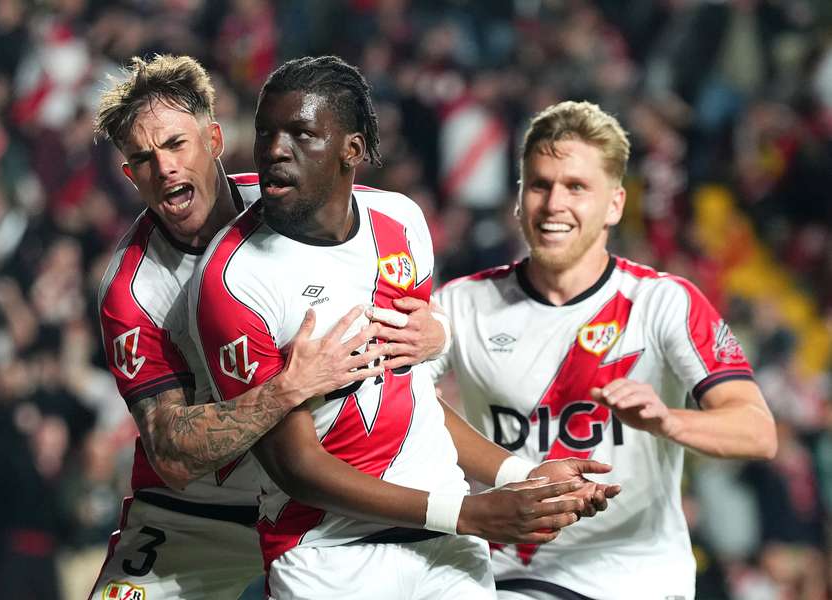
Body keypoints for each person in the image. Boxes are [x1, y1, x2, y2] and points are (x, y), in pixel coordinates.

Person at [190, 56, 620, 600]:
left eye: (301, 133)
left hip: (447, 548)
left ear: (351, 149)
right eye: (266, 132)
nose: (275, 149)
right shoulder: (233, 278)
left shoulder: (402, 222)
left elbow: (414, 397)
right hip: (328, 557)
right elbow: (293, 465)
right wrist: (467, 513)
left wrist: (520, 476)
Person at [428, 100, 778, 600]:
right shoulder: (460, 304)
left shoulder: (664, 303)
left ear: (615, 204)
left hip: (638, 578)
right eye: (540, 185)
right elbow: (402, 399)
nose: (554, 204)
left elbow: (758, 430)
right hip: (513, 573)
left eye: (576, 187)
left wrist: (668, 421)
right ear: (519, 198)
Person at [91, 54, 406, 600]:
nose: (164, 168)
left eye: (175, 144)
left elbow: (381, 254)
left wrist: (433, 329)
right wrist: (288, 388)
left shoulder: (291, 206)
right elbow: (171, 454)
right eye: (142, 158)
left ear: (214, 139)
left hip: (309, 502)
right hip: (193, 519)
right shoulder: (132, 290)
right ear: (130, 176)